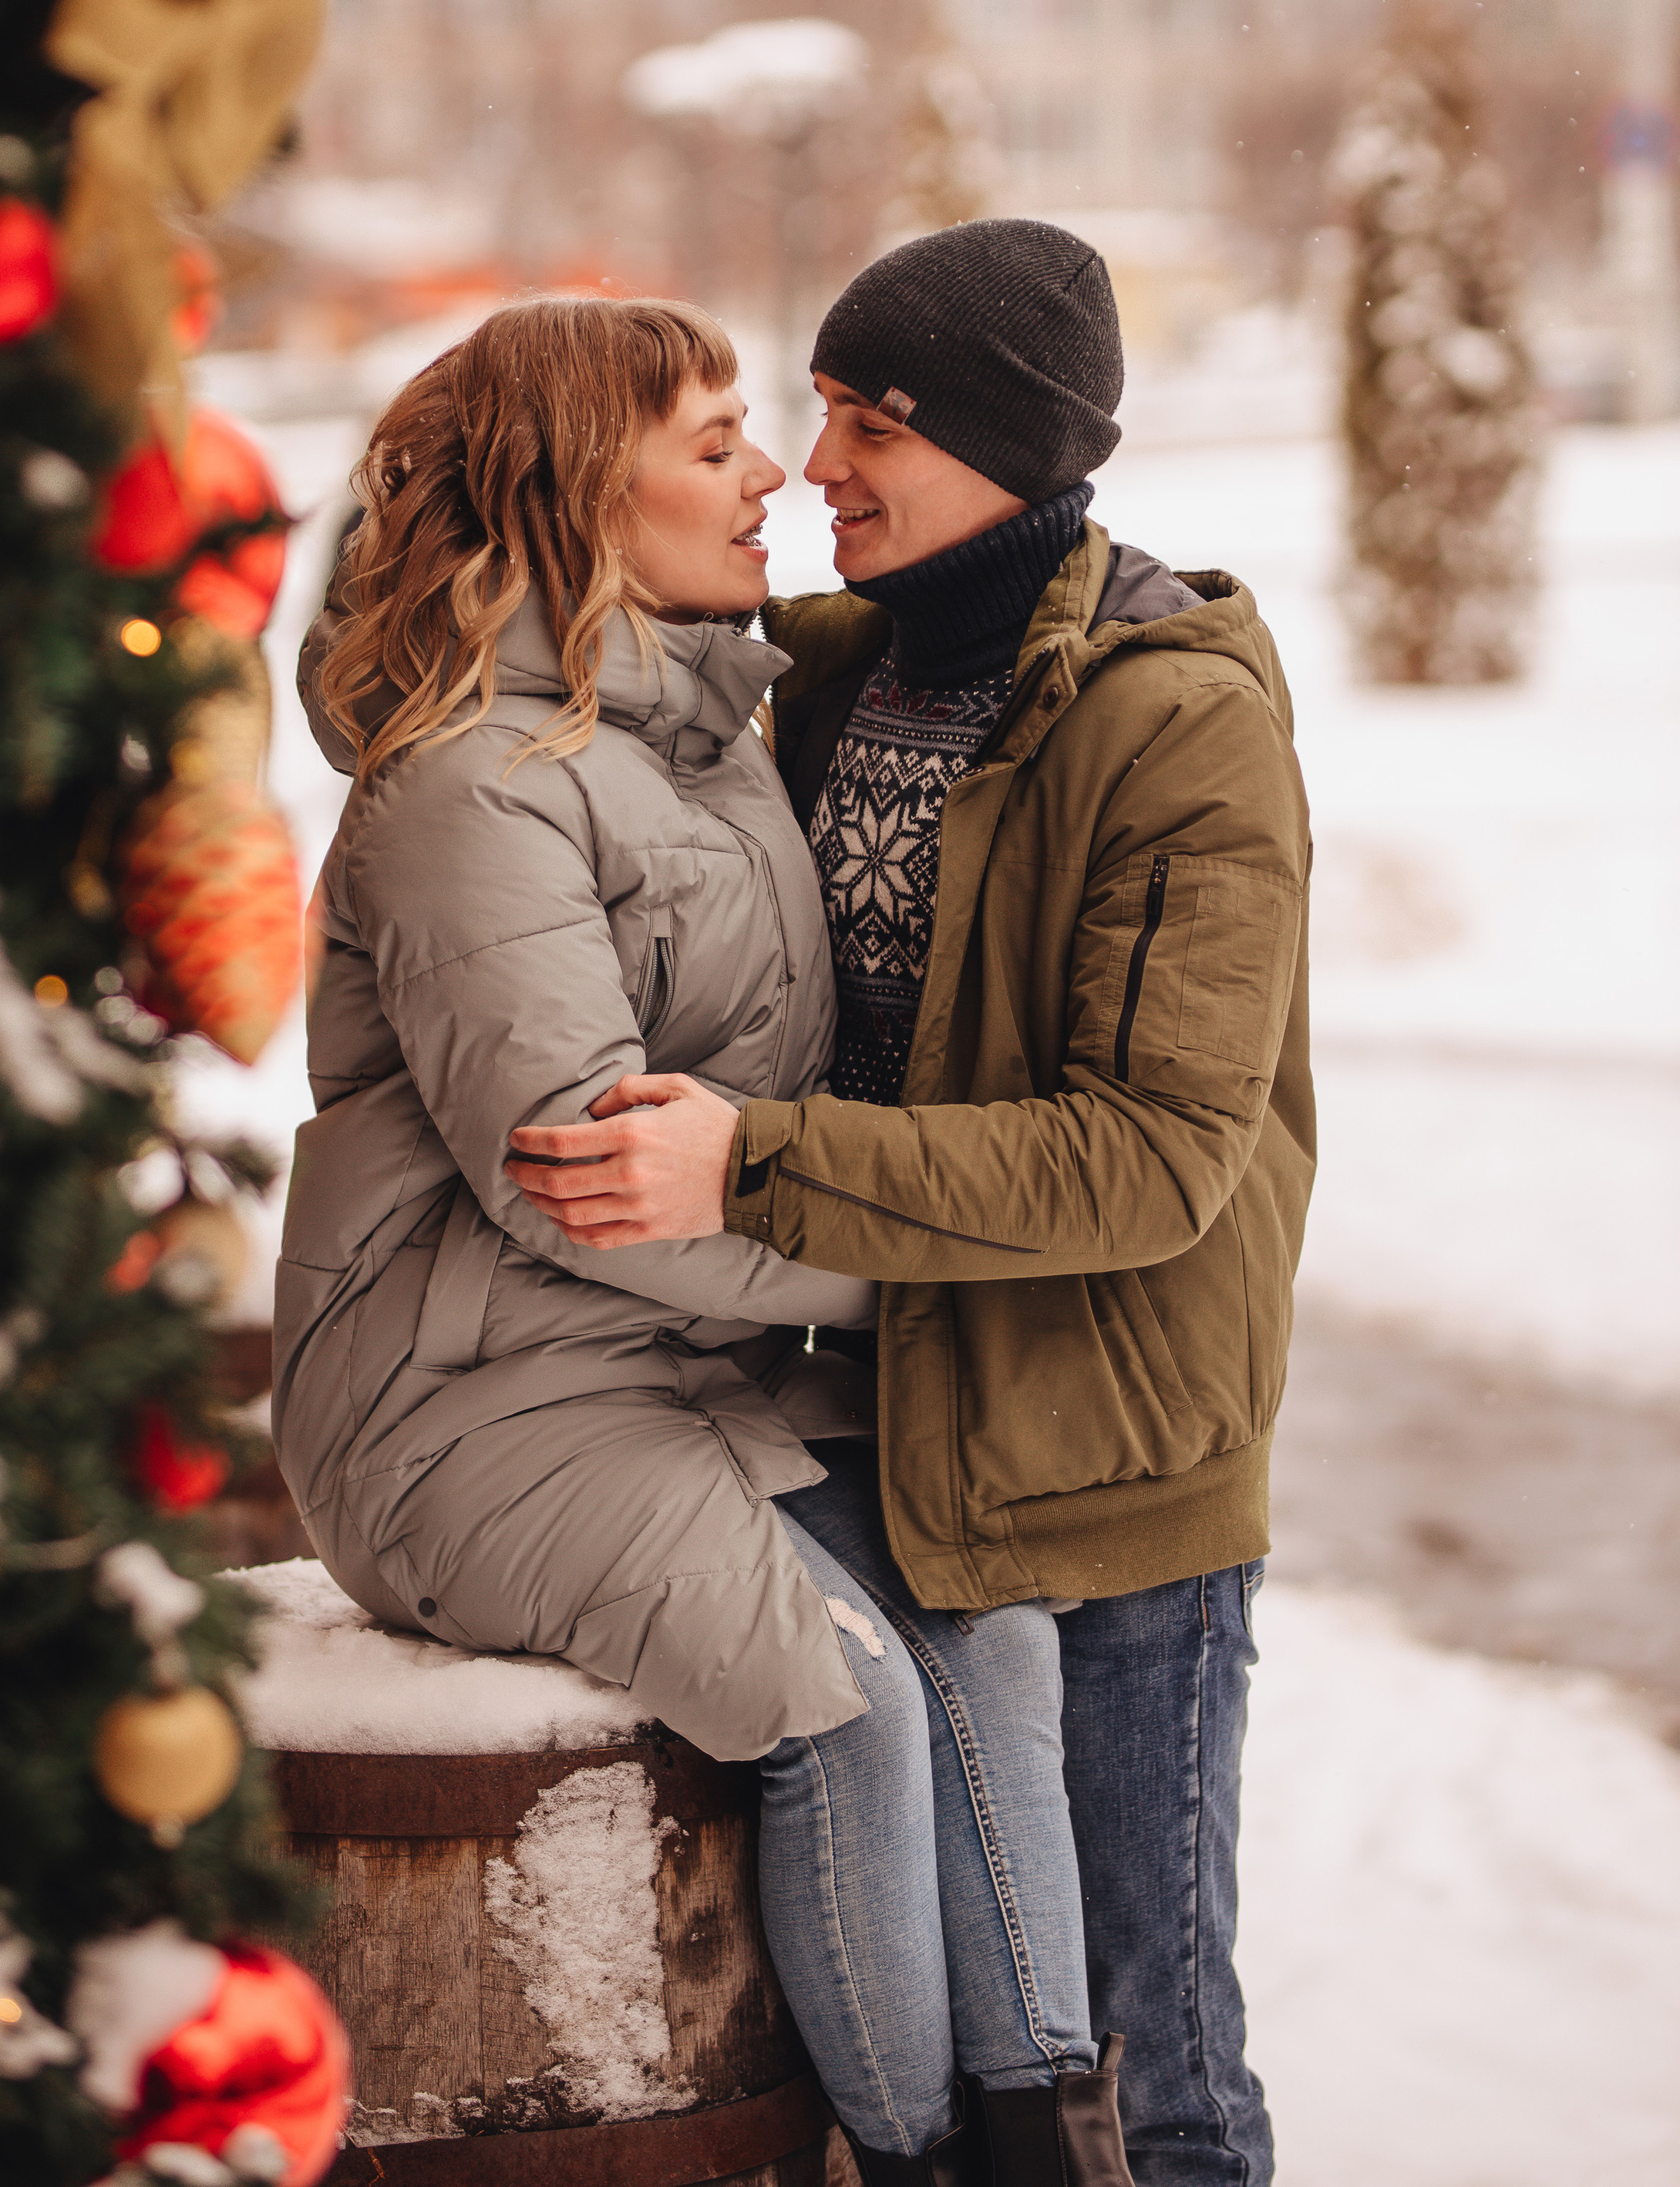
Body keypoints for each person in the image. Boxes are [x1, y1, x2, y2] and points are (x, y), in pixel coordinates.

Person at [277, 295, 1136, 2187]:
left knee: (981, 1621)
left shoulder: (702, 725)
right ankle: (906, 2163)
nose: (771, 479)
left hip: (699, 1368)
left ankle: (1051, 2150)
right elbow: (574, 1180)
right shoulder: (466, 786)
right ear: (580, 500)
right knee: (851, 1710)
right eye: (714, 442)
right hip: (467, 1407)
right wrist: (908, 1269)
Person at [508, 224, 1315, 2187]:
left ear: (1022, 450)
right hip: (882, 1406)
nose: (823, 460)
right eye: (817, 407)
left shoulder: (1175, 720)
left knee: (1150, 2064)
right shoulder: (827, 681)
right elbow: (509, 635)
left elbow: (1150, 1154)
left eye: (877, 420)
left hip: (1102, 1452)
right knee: (975, 2075)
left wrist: (752, 1164)